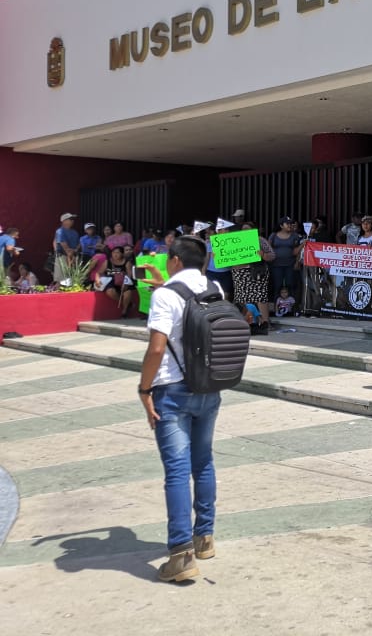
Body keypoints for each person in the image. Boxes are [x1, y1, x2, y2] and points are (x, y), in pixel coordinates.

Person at [136, 235, 221, 583]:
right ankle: (204, 538)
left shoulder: (165, 296)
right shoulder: (214, 288)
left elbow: (156, 349)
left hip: (171, 391)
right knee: (203, 462)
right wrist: (164, 287)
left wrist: (144, 389)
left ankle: (181, 555)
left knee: (176, 471)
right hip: (209, 388)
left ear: (173, 260)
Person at [232, 223, 274, 331]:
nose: (245, 231)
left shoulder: (260, 240)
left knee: (260, 297)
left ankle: (266, 323)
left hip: (257, 272)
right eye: (243, 229)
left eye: (247, 228)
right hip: (240, 273)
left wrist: (263, 255)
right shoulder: (235, 241)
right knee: (243, 298)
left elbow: (272, 256)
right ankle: (248, 323)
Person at [268, 217, 302, 306]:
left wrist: (297, 262)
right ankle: (276, 306)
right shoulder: (273, 235)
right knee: (277, 285)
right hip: (276, 265)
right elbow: (268, 248)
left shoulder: (295, 236)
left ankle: (291, 307)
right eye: (287, 224)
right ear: (281, 225)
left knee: (290, 284)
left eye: (291, 223)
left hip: (290, 264)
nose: (290, 225)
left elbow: (296, 252)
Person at [104, 245, 139, 317]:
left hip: (125, 281)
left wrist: (125, 284)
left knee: (127, 292)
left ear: (122, 254)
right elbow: (99, 272)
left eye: (118, 252)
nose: (115, 254)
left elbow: (129, 274)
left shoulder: (127, 262)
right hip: (112, 281)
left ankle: (124, 311)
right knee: (109, 291)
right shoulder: (107, 262)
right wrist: (98, 279)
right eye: (114, 252)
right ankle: (127, 304)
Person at [53, 212, 80, 283]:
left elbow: (78, 244)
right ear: (64, 221)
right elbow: (64, 246)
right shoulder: (60, 231)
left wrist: (75, 251)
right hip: (63, 257)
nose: (73, 221)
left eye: (73, 219)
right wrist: (71, 255)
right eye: (70, 219)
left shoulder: (75, 232)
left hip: (73, 257)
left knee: (72, 280)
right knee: (61, 281)